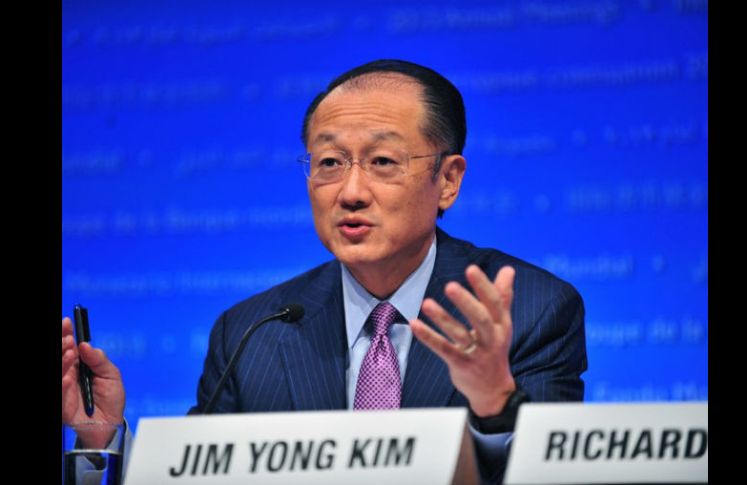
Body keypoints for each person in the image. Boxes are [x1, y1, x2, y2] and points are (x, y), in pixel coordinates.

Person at [62, 59, 588, 484]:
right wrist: (101, 441)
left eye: (383, 161)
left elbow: (551, 478)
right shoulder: (252, 332)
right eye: (330, 163)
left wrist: (494, 405)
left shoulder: (531, 309)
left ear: (447, 180)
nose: (351, 192)